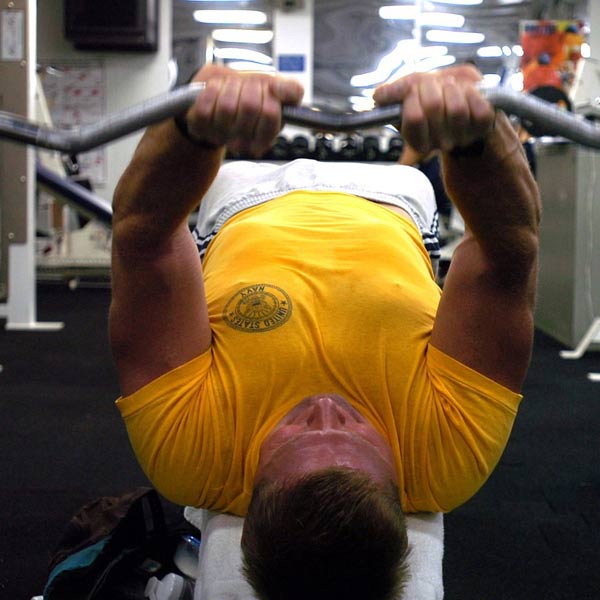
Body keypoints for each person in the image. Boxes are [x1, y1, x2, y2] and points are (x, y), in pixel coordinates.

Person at [109, 63, 540, 600]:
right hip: (393, 201)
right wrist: (477, 135)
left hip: (244, 197)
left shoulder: (194, 454)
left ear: (251, 490)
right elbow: (507, 250)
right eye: (355, 433)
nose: (326, 408)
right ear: (398, 486)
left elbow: (144, 238)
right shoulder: (444, 456)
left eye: (299, 432)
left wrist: (193, 128)